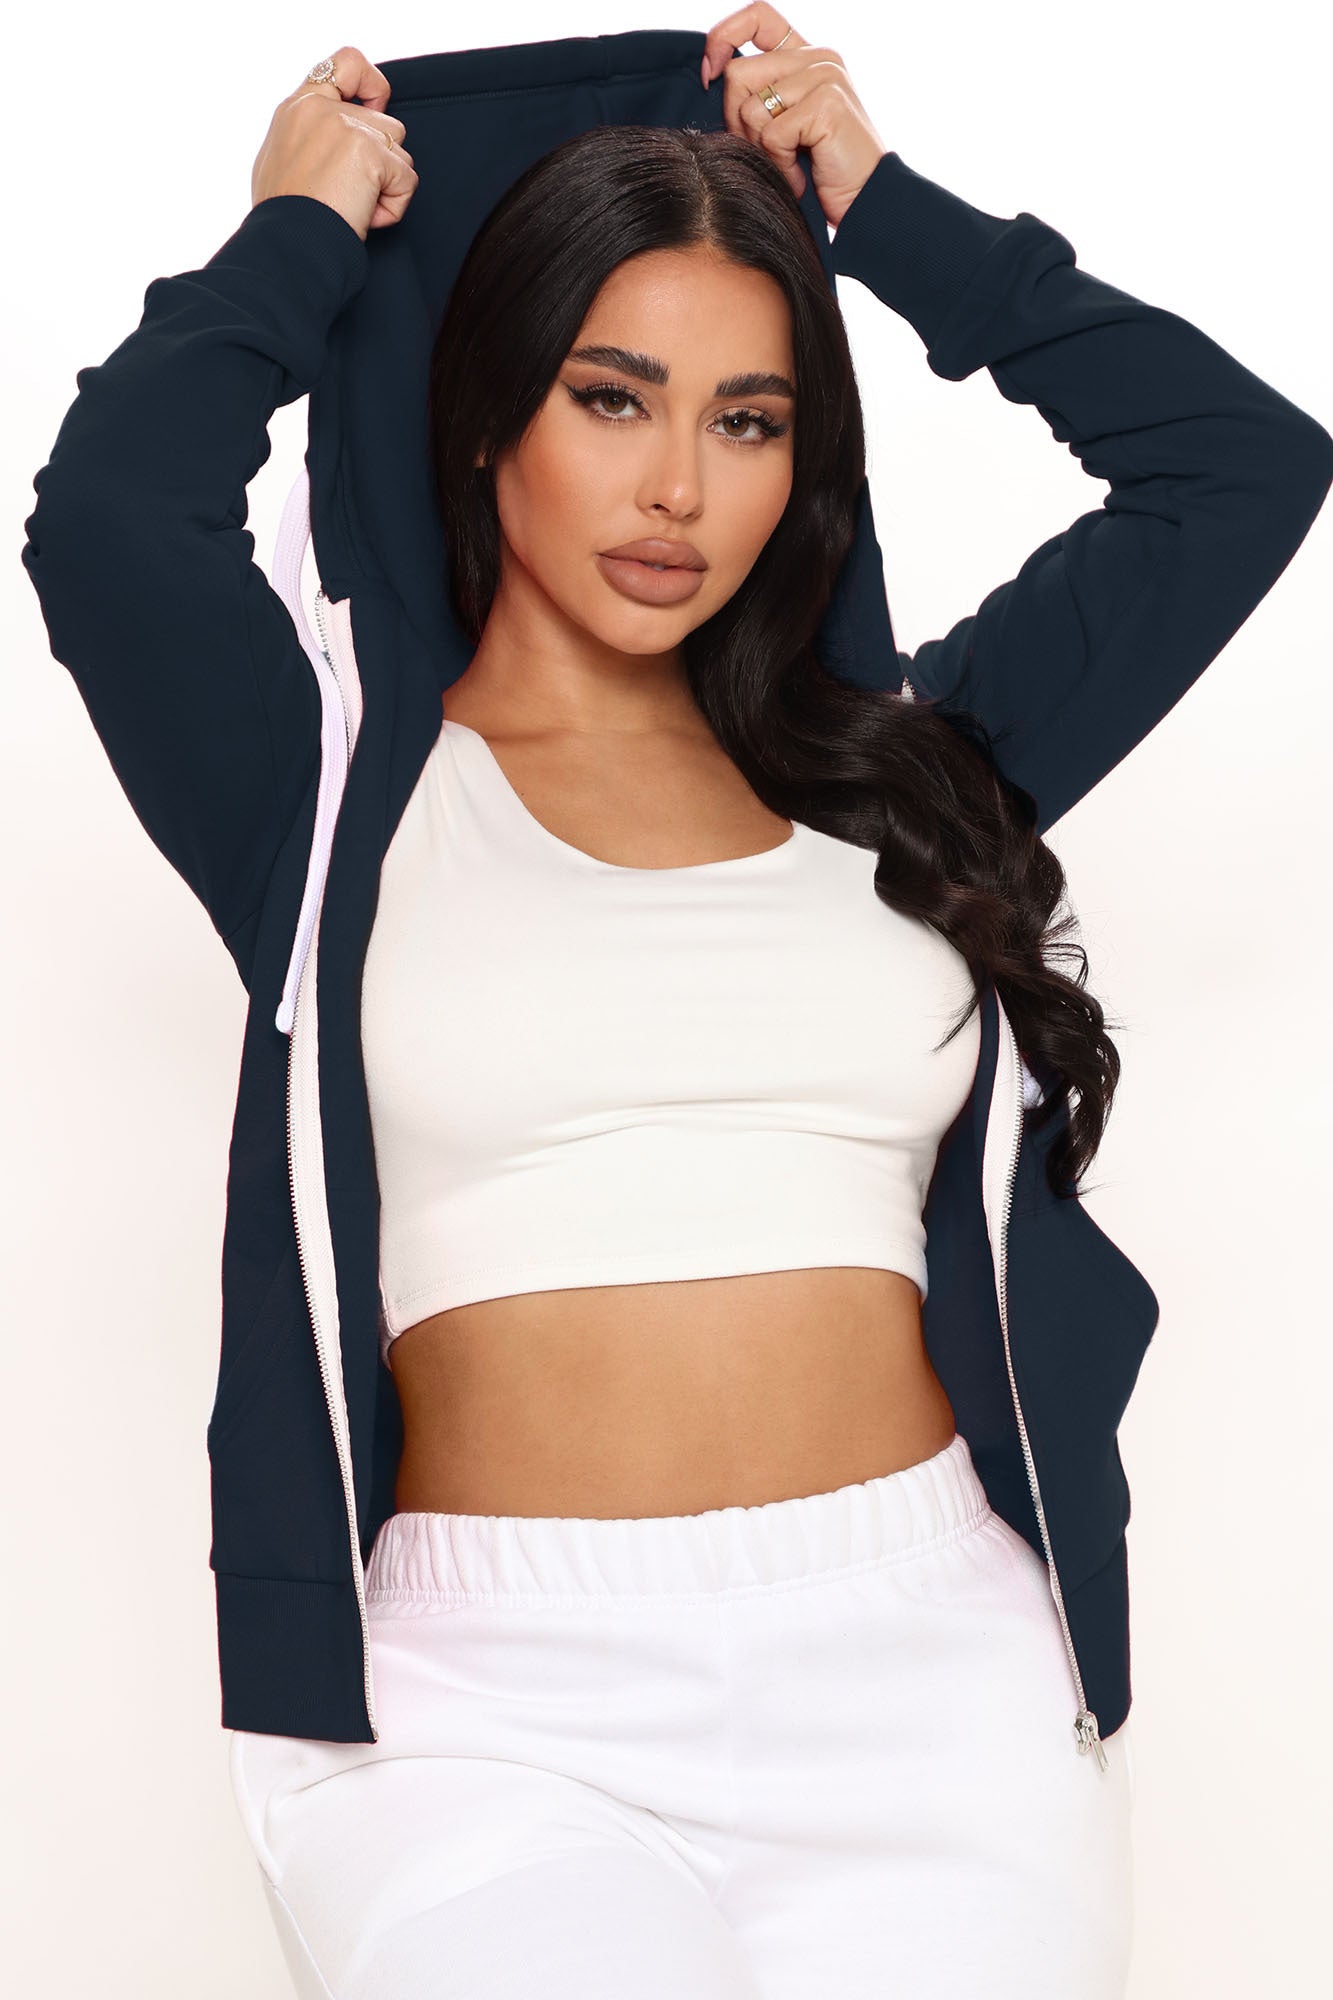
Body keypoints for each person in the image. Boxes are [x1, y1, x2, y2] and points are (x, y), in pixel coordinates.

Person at [21, 11, 1332, 1998]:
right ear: (487, 417)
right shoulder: (326, 792)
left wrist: (887, 214)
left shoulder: (908, 769)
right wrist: (293, 240)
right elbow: (107, 520)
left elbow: (1238, 466)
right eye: (608, 397)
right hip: (484, 1706)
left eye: (746, 419)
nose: (675, 490)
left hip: (934, 1674)